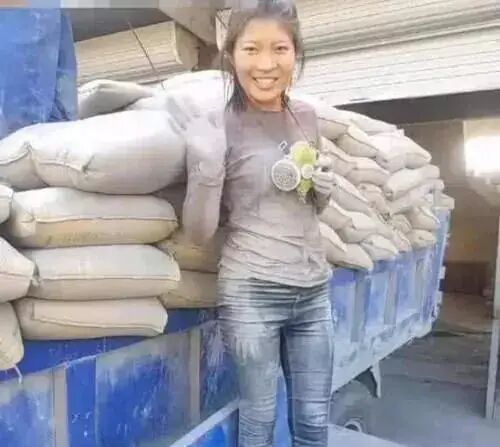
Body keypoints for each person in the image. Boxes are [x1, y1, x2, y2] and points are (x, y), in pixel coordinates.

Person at [168, 1, 336, 445]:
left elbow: (309, 207)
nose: (266, 64)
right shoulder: (217, 125)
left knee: (314, 422)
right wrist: (206, 167)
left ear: (296, 53)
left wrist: (323, 188)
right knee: (259, 422)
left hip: (313, 289)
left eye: (279, 48)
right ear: (231, 55)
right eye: (251, 49)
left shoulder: (307, 117)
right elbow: (198, 233)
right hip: (252, 291)